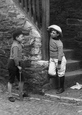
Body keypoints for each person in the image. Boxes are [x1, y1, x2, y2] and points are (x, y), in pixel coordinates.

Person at [7, 29, 28, 102]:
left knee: (21, 79)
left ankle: (21, 93)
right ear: (17, 38)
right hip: (13, 63)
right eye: (21, 36)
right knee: (11, 80)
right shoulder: (15, 45)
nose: (23, 38)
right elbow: (15, 57)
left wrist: (21, 45)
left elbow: (19, 51)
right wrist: (17, 65)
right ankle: (10, 95)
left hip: (17, 63)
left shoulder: (18, 44)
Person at [47, 25, 67, 94]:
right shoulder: (50, 37)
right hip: (52, 59)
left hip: (59, 59)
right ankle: (58, 77)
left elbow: (60, 54)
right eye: (51, 32)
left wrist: (59, 63)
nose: (51, 34)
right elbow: (48, 29)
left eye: (54, 33)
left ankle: (61, 88)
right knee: (51, 72)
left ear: (58, 34)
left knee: (61, 73)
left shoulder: (59, 43)